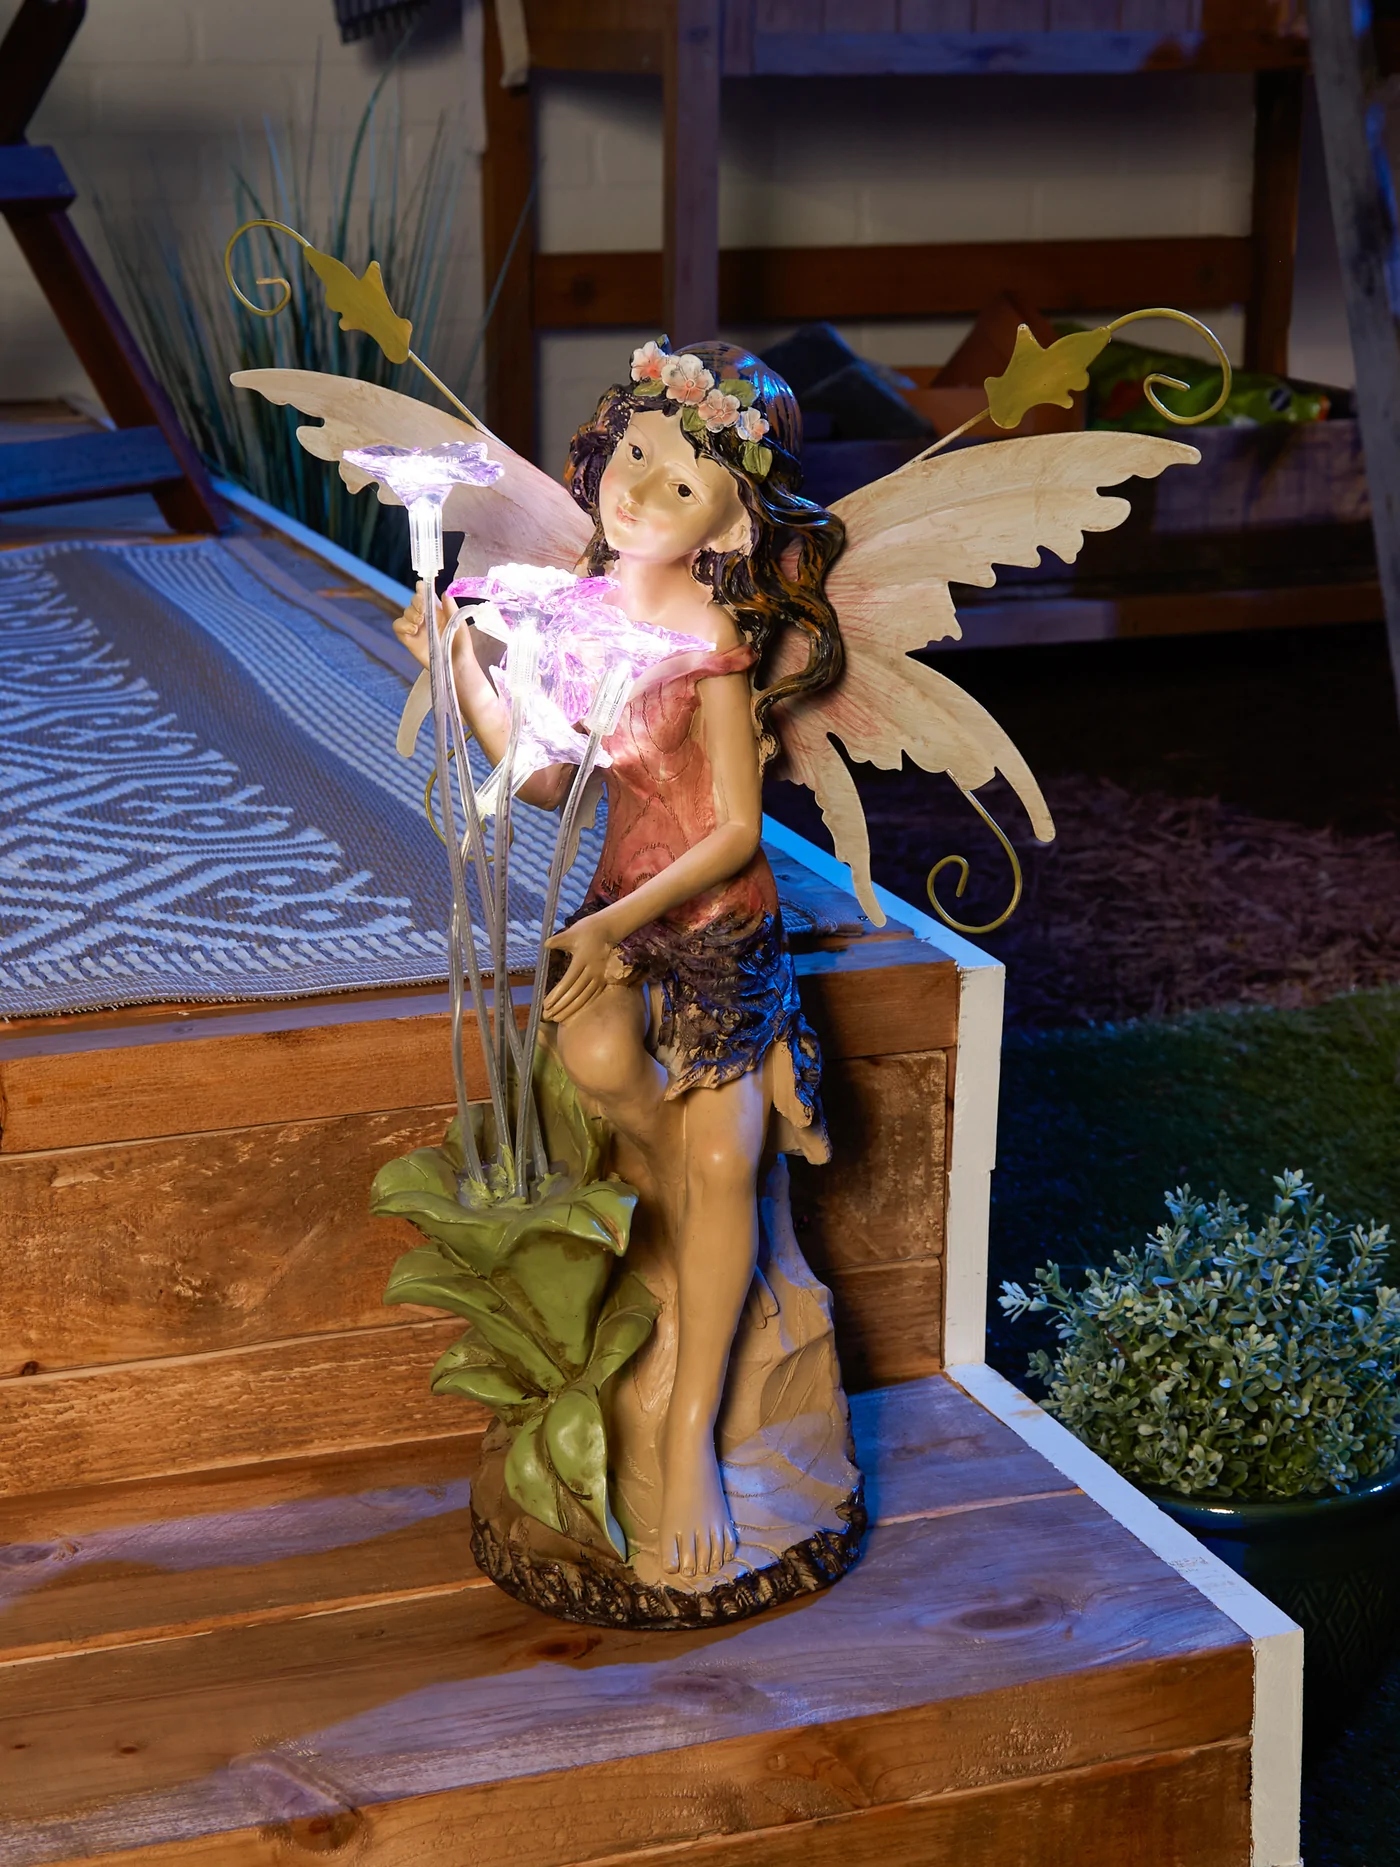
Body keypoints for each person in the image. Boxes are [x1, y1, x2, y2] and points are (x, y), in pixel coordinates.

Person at [394, 340, 845, 1579]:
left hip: (715, 929)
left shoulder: (710, 632)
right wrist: (459, 661)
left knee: (721, 1158)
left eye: (683, 482)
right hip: (614, 915)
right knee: (595, 1064)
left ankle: (690, 1428)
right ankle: (675, 1213)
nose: (641, 490)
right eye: (634, 454)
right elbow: (544, 777)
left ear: (729, 524)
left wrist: (608, 925)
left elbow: (735, 831)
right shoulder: (579, 611)